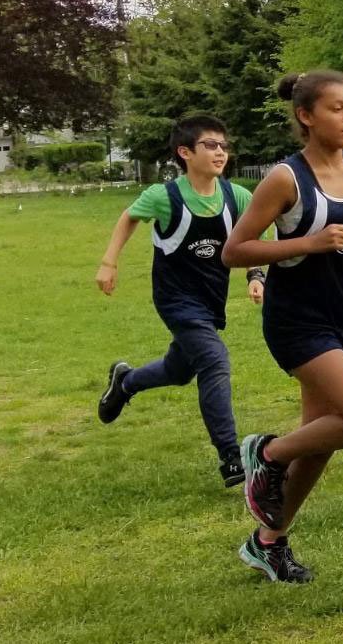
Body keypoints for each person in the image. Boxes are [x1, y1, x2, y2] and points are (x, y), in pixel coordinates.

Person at [222, 70, 343, 583]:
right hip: (298, 320)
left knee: (322, 439)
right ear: (306, 117)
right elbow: (234, 250)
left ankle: (269, 543)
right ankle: (267, 452)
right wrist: (309, 242)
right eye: (337, 108)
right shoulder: (286, 178)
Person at [94, 114, 261, 486]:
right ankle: (231, 458)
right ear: (185, 152)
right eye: (210, 145)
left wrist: (255, 274)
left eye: (224, 145)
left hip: (210, 303)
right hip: (175, 301)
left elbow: (253, 236)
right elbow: (129, 217)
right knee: (214, 360)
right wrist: (109, 262)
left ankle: (126, 382)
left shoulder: (237, 196)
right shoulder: (164, 197)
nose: (220, 152)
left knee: (180, 369)